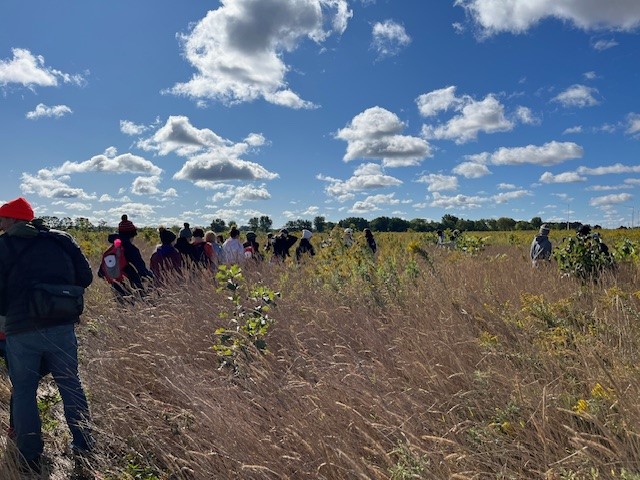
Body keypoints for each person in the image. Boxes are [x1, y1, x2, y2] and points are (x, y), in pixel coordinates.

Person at [0, 197, 94, 473]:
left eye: (3, 219)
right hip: (62, 325)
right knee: (70, 384)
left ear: (15, 219)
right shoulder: (61, 240)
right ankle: (85, 446)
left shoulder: (3, 247)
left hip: (21, 330)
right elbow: (85, 278)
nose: (0, 224)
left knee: (25, 390)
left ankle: (29, 458)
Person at [99, 214, 153, 301]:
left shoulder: (113, 248)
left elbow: (100, 273)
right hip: (132, 285)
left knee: (122, 309)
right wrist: (151, 277)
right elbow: (141, 270)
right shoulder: (131, 249)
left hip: (116, 286)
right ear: (131, 234)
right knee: (135, 309)